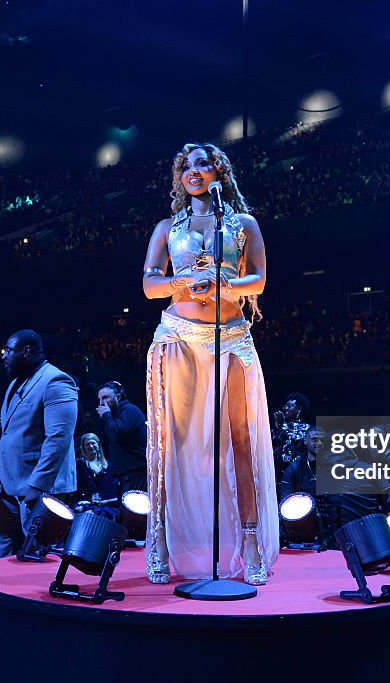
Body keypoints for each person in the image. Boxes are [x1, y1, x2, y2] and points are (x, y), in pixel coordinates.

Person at [141, 142, 278, 585]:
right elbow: (148, 283)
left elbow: (259, 279)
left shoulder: (242, 223)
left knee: (240, 437)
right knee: (170, 441)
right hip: (178, 337)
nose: (193, 171)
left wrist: (225, 281)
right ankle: (159, 541)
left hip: (232, 337)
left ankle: (251, 539)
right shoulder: (166, 227)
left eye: (202, 163)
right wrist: (183, 282)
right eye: (185, 165)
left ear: (219, 171)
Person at [0, 329, 78, 559]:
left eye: (9, 350)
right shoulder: (16, 383)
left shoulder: (56, 381)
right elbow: (9, 426)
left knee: (36, 555)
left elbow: (58, 439)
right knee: (3, 549)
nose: (4, 356)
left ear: (27, 351)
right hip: (8, 486)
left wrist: (38, 485)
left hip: (35, 487)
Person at [95, 381, 147, 496]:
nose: (101, 403)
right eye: (99, 399)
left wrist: (106, 415)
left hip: (136, 474)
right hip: (126, 476)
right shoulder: (116, 415)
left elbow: (116, 432)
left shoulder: (129, 410)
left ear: (118, 397)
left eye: (105, 398)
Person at [73, 433, 120, 518]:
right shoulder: (80, 464)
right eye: (87, 445)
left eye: (93, 443)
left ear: (98, 445)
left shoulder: (108, 465)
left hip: (106, 503)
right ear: (84, 448)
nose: (91, 446)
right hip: (87, 502)